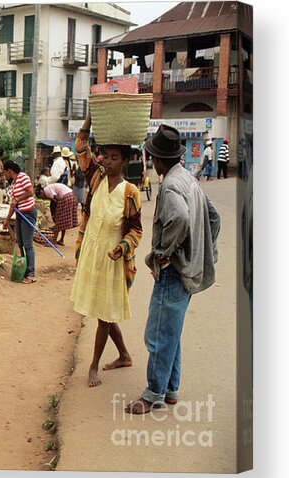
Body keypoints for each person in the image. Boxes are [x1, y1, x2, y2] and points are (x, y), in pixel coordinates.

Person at [124, 124, 220, 415]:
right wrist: (202, 251)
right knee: (171, 331)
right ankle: (170, 390)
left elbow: (179, 218)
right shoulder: (189, 179)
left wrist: (164, 253)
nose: (152, 161)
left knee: (157, 335)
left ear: (159, 159)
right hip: (187, 269)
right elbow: (213, 218)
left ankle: (153, 394)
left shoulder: (170, 186)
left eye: (153, 156)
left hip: (174, 272)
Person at [70, 113, 143, 388]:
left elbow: (136, 230)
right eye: (106, 156)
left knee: (103, 314)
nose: (107, 161)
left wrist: (122, 248)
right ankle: (124, 355)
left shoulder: (130, 192)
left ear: (124, 161)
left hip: (113, 258)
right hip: (91, 252)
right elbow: (81, 150)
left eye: (114, 157)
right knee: (105, 310)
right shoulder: (96, 178)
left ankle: (92, 367)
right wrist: (88, 122)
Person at [3, 160, 37, 284]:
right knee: (20, 243)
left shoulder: (23, 177)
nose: (4, 175)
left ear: (9, 171)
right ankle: (24, 269)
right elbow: (13, 204)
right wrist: (7, 219)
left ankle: (31, 273)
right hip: (19, 215)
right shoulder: (13, 184)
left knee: (28, 244)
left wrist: (18, 199)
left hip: (28, 213)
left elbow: (30, 192)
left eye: (4, 173)